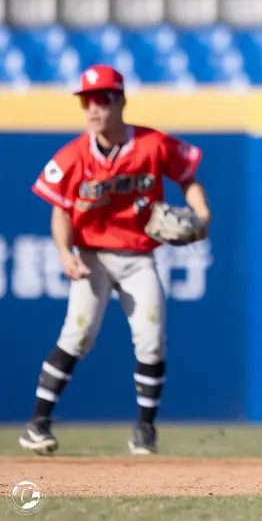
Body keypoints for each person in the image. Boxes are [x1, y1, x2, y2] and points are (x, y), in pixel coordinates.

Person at [19, 64, 211, 455]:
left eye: (102, 98)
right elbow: (60, 209)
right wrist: (63, 252)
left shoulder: (152, 144)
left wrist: (203, 215)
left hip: (139, 256)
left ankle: (144, 430)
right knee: (78, 333)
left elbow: (188, 177)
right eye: (87, 100)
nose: (93, 108)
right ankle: (37, 424)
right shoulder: (74, 155)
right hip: (92, 255)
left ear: (121, 100)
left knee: (151, 339)